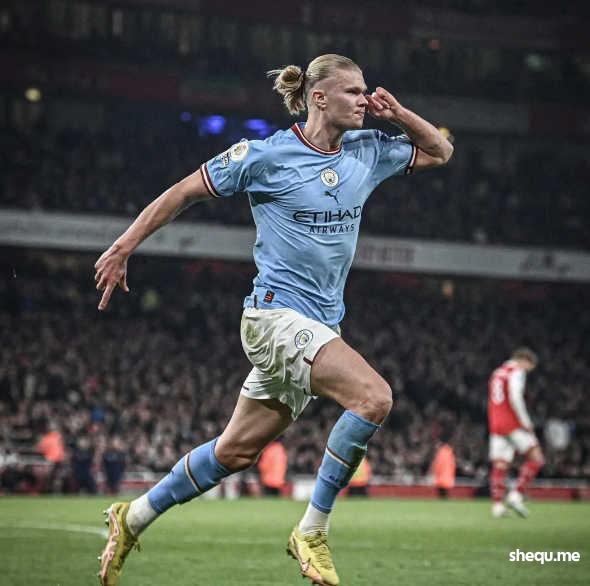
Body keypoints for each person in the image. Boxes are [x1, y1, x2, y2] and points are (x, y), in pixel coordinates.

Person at [95, 53, 453, 586]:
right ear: (319, 98)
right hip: (273, 319)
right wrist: (124, 246)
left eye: (365, 91)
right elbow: (183, 192)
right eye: (353, 91)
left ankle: (134, 516)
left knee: (235, 452)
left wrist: (399, 114)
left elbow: (441, 151)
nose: (365, 99)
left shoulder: (368, 150)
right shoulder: (266, 155)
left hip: (319, 327)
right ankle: (312, 530)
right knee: (373, 398)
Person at [488, 347, 545, 518]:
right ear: (524, 361)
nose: (528, 371)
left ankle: (497, 506)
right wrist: (525, 422)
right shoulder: (516, 371)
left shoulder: (497, 373)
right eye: (529, 367)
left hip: (496, 423)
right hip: (512, 423)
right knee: (536, 458)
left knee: (500, 465)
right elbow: (515, 398)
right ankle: (516, 495)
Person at [430, 434, 456, 499]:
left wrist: (434, 472)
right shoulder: (449, 452)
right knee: (445, 493)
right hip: (448, 476)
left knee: (442, 494)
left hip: (441, 477)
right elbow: (453, 465)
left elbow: (438, 465)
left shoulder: (441, 453)